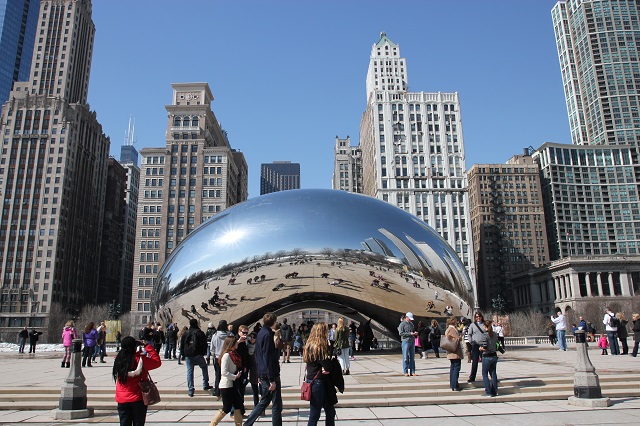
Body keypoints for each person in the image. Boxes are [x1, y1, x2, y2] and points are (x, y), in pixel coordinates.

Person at [113, 336, 161, 426]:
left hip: (122, 397)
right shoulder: (140, 360)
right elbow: (157, 362)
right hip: (138, 397)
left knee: (124, 423)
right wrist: (147, 346)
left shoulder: (118, 360)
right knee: (138, 423)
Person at [244, 312, 282, 426]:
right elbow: (267, 357)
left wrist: (259, 374)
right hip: (270, 373)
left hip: (263, 372)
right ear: (274, 322)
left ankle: (248, 423)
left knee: (265, 400)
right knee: (275, 404)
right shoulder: (268, 335)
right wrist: (271, 379)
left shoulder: (260, 333)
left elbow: (257, 354)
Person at [303, 322, 337, 426]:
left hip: (315, 380)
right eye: (326, 331)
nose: (327, 333)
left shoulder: (309, 345)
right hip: (318, 382)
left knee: (330, 411)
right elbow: (327, 365)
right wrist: (329, 365)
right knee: (315, 414)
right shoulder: (318, 347)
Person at [207, 336, 244, 426]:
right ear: (231, 344)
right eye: (235, 343)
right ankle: (212, 424)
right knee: (226, 408)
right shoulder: (227, 355)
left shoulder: (233, 353)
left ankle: (239, 424)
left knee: (238, 406)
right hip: (227, 385)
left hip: (233, 384)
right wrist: (235, 376)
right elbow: (223, 371)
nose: (237, 344)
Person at [181, 318, 213, 397]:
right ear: (197, 324)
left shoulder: (186, 333)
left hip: (188, 355)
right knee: (204, 367)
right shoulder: (200, 333)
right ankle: (205, 384)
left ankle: (190, 389)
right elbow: (204, 344)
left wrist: (183, 354)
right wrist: (203, 353)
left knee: (190, 371)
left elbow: (182, 345)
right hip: (198, 354)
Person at [479, 320, 499, 397]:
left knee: (485, 374)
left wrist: (481, 348)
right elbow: (497, 345)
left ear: (485, 326)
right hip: (494, 355)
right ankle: (495, 390)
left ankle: (488, 391)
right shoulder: (495, 334)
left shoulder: (485, 335)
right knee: (493, 373)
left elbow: (485, 347)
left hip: (487, 356)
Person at [210, 319, 230, 397]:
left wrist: (214, 355)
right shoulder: (229, 335)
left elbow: (212, 348)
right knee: (227, 375)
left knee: (218, 374)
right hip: (228, 357)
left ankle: (217, 391)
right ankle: (226, 391)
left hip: (218, 357)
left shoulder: (215, 335)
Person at [444, 316, 463, 391]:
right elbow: (455, 340)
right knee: (456, 367)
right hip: (455, 352)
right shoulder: (452, 329)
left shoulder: (448, 329)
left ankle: (453, 384)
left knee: (453, 367)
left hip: (450, 352)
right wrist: (460, 337)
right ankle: (454, 385)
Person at [467, 311, 485, 382]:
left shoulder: (484, 324)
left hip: (484, 345)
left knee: (485, 361)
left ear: (481, 317)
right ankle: (472, 376)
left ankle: (488, 376)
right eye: (476, 317)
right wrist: (471, 342)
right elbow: (469, 334)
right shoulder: (472, 325)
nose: (478, 318)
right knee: (475, 361)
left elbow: (488, 332)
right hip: (475, 345)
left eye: (479, 316)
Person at [398, 312, 418, 376]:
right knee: (405, 357)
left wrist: (415, 333)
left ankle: (412, 371)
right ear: (406, 317)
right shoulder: (402, 324)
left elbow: (412, 331)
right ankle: (405, 371)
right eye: (410, 318)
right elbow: (400, 333)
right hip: (405, 341)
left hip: (412, 341)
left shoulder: (411, 324)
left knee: (412, 357)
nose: (410, 320)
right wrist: (409, 334)